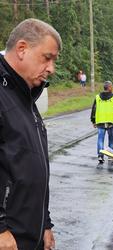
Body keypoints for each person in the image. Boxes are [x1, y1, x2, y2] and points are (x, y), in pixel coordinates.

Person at [0, 18, 62, 250]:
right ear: (22, 49)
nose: (51, 68)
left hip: (30, 235)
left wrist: (44, 223)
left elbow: (33, 169)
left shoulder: (26, 97)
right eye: (47, 58)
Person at [90, 81, 113, 166]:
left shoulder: (97, 97)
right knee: (111, 139)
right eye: (111, 86)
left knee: (100, 139)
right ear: (109, 87)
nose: (112, 88)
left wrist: (93, 120)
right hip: (111, 122)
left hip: (100, 121)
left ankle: (100, 155)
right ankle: (110, 156)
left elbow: (94, 109)